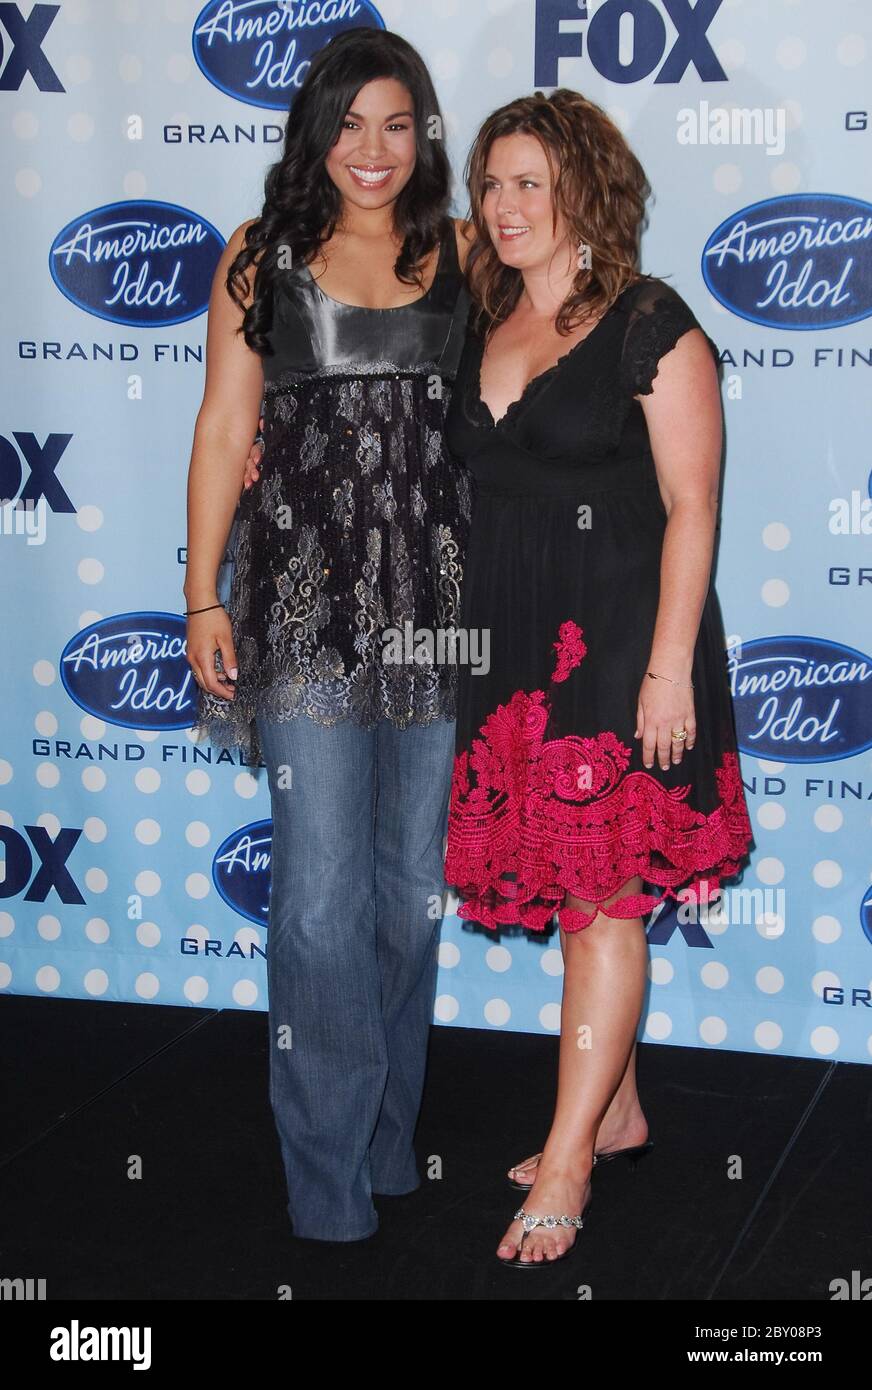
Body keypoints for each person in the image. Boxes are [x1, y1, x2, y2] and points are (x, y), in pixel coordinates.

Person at [442, 88, 754, 1267]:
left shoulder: (647, 320)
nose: (506, 205)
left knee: (597, 909)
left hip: (623, 649)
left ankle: (570, 1156)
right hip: (512, 657)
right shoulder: (482, 317)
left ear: (584, 192)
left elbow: (692, 505)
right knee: (583, 899)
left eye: (530, 181)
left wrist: (667, 668)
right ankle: (613, 1108)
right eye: (491, 182)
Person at [184, 29, 473, 1242]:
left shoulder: (463, 252)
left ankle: (386, 1137)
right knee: (314, 903)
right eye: (350, 124)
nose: (372, 150)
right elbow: (219, 427)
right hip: (301, 599)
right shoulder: (261, 256)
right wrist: (202, 592)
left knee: (408, 895)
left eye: (396, 124)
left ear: (425, 136)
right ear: (316, 131)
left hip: (438, 606)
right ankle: (327, 1182)